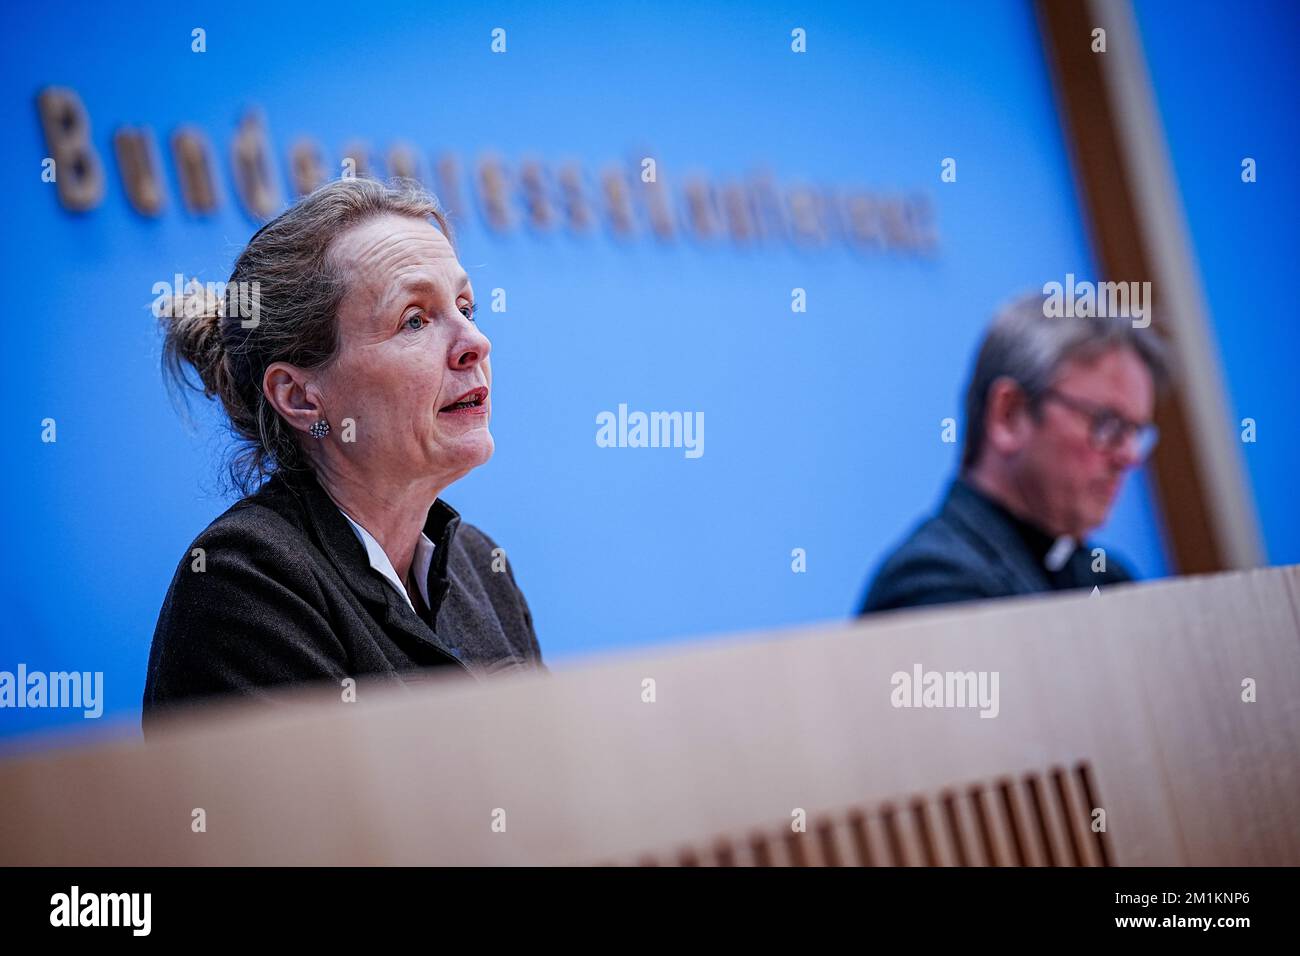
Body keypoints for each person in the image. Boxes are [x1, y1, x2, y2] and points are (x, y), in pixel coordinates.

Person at [144, 178, 542, 728]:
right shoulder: (245, 581)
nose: (476, 342)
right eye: (415, 320)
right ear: (301, 397)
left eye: (466, 307)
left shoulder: (482, 567)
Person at [859, 292, 1170, 614]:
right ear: (1009, 415)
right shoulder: (936, 582)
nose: (1131, 457)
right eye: (1108, 425)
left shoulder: (1107, 579)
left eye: (1135, 432)